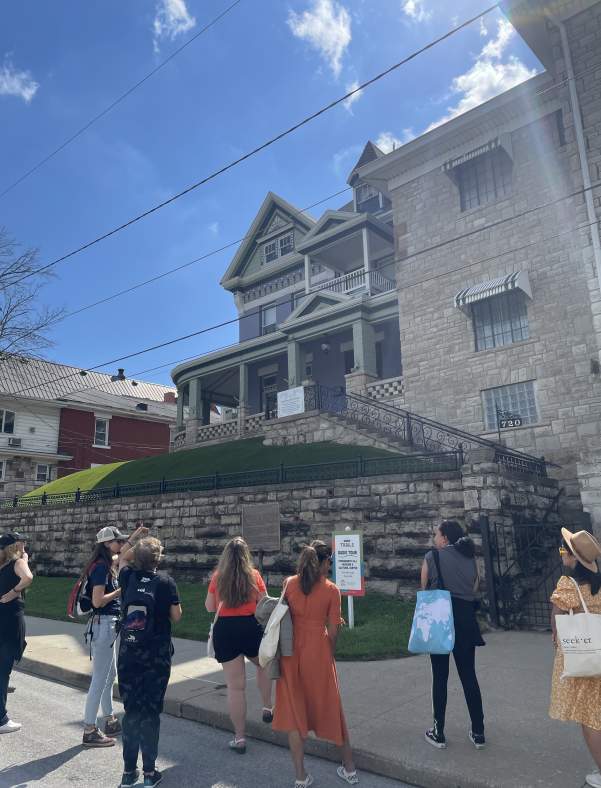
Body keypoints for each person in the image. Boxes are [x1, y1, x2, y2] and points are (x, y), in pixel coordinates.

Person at [272, 540, 358, 788]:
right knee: (331, 707)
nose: (330, 566)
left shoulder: (289, 584)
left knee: (293, 714)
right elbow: (332, 631)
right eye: (329, 562)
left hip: (290, 652)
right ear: (322, 563)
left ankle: (300, 776)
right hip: (317, 652)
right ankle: (349, 768)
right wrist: (327, 653)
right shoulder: (331, 590)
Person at [117, 536, 181, 788]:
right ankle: (149, 772)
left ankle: (128, 772)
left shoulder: (127, 577)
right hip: (156, 656)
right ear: (158, 559)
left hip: (129, 654)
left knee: (132, 711)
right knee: (151, 713)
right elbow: (176, 616)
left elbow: (123, 557)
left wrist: (138, 543)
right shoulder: (165, 582)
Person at [204, 537, 273, 754]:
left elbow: (209, 607)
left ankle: (240, 738)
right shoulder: (254, 576)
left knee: (235, 687)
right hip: (250, 626)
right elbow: (264, 603)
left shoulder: (218, 577)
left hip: (226, 629)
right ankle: (267, 706)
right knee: (263, 664)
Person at [420, 520, 485, 750]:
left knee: (440, 677)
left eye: (436, 534)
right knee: (469, 676)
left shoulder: (432, 557)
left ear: (445, 537)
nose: (434, 538)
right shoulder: (470, 558)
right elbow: (474, 587)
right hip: (466, 620)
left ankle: (439, 732)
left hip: (441, 619)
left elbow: (424, 585)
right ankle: (478, 731)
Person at [81, 524, 146, 748]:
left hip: (108, 625)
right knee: (99, 679)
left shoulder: (107, 563)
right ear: (107, 544)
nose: (121, 545)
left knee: (110, 676)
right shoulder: (100, 568)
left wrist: (136, 535)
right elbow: (98, 601)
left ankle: (109, 720)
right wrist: (122, 590)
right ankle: (89, 728)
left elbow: (125, 551)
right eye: (117, 542)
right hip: (103, 625)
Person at [550, 528, 601, 788]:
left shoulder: (568, 584)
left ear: (573, 557)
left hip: (584, 655)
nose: (561, 556)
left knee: (589, 716)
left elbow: (557, 620)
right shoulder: (598, 584)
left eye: (563, 551)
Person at [0, 531, 33, 734]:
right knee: (3, 671)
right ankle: (1, 718)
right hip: (11, 620)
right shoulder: (17, 563)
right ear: (15, 546)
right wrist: (14, 592)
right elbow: (28, 577)